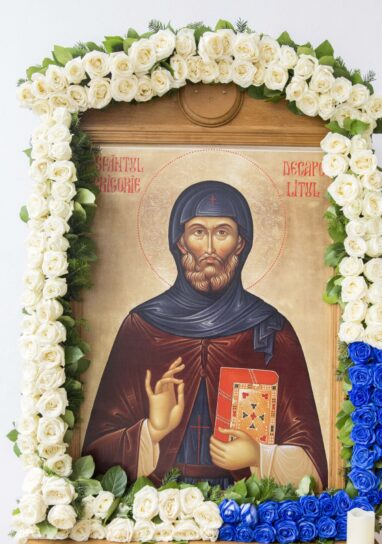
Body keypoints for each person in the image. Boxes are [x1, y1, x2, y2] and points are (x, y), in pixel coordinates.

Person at [83, 181, 328, 488]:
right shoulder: (142, 327)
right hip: (158, 499)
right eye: (198, 232)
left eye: (222, 232)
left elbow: (312, 465)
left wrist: (259, 456)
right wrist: (152, 431)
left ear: (240, 243)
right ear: (180, 242)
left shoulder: (271, 330)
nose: (210, 248)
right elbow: (93, 460)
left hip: (246, 504)